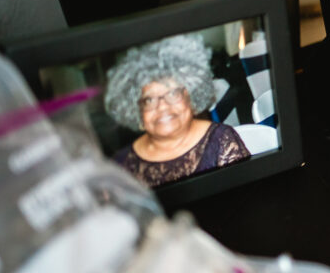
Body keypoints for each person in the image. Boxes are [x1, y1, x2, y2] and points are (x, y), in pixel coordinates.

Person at [104, 34, 250, 187]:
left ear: (191, 97)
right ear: (137, 110)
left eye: (173, 93)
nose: (162, 106)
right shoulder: (121, 165)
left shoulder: (221, 141)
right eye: (149, 100)